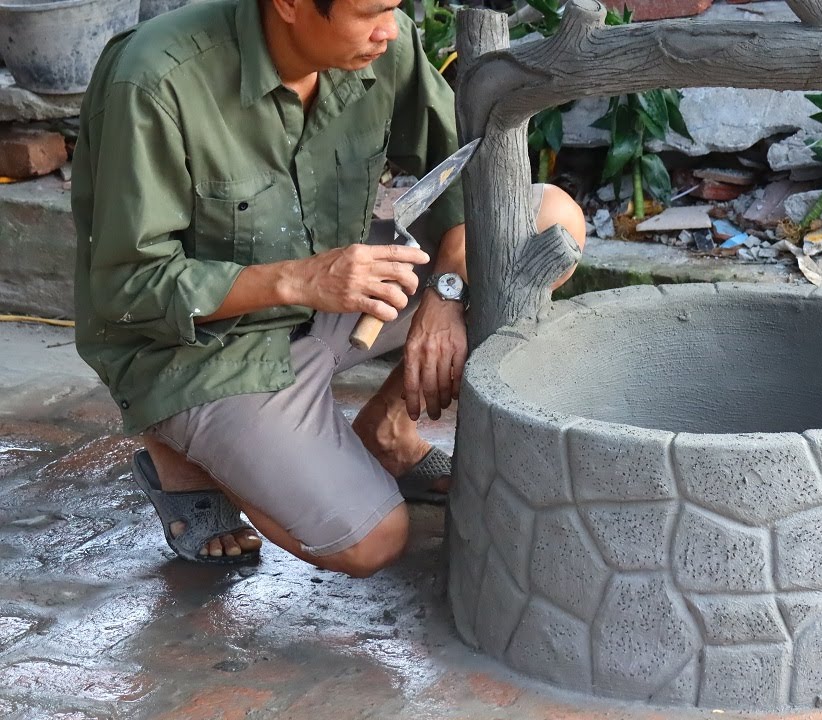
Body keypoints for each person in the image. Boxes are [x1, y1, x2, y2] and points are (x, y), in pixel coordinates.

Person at [71, 0, 587, 576]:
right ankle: (181, 447)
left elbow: (474, 183)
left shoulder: (383, 42)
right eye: (371, 12)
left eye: (393, 7)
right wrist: (303, 279)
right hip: (204, 349)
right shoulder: (154, 79)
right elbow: (126, 289)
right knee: (372, 543)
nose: (389, 30)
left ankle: (385, 428)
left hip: (343, 297)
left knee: (549, 220)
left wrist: (444, 292)